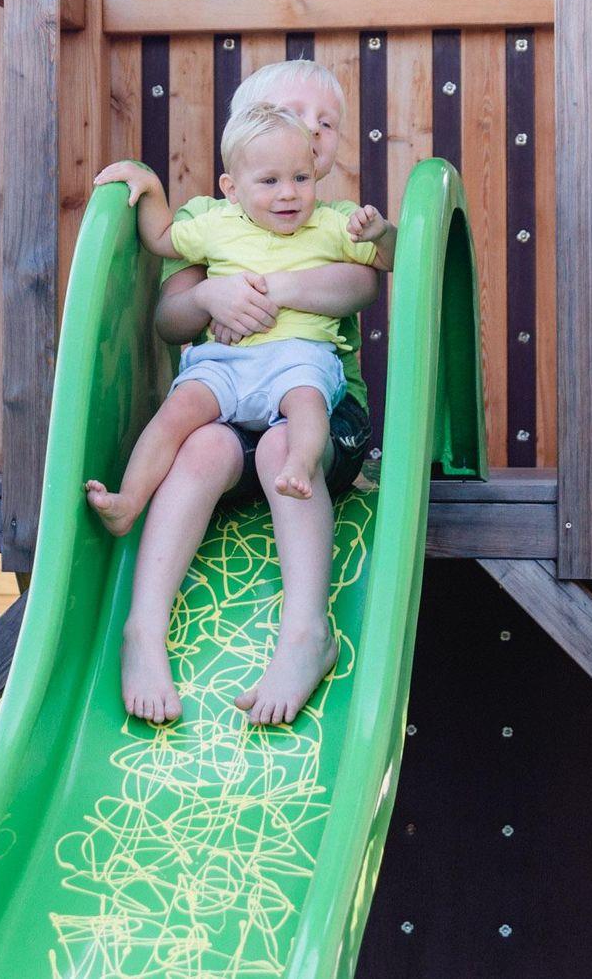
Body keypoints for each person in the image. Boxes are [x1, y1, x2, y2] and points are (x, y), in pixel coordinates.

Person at [94, 76, 396, 727]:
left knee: (286, 440)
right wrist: (209, 295)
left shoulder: (331, 221)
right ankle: (142, 628)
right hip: (231, 403)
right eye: (292, 114)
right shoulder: (213, 219)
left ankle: (306, 634)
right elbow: (169, 317)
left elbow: (364, 282)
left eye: (326, 122)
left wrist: (274, 288)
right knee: (199, 444)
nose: (312, 129)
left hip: (314, 418)